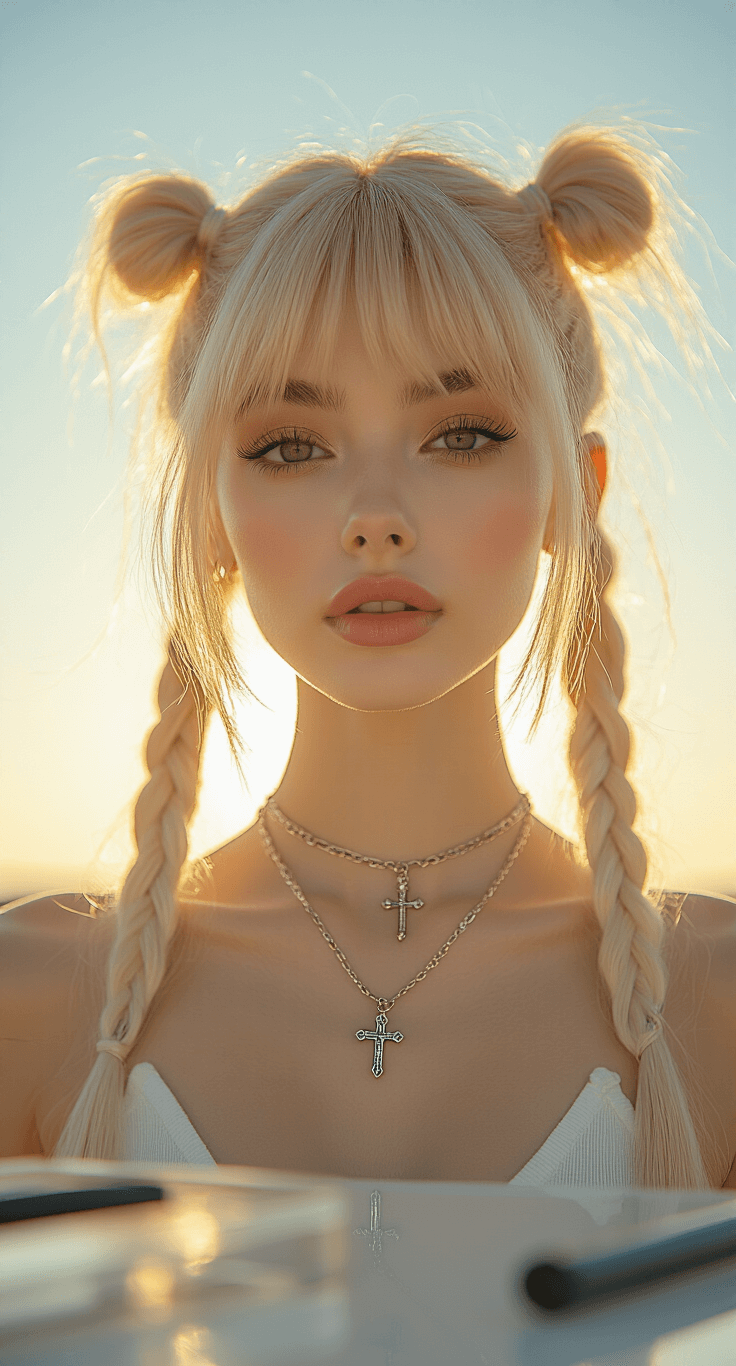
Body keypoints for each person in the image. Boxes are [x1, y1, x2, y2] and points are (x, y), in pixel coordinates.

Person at [1, 122, 734, 1189]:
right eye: (290, 447)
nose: (376, 519)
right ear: (211, 512)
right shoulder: (27, 994)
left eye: (461, 434)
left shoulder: (715, 1001)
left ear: (576, 492)